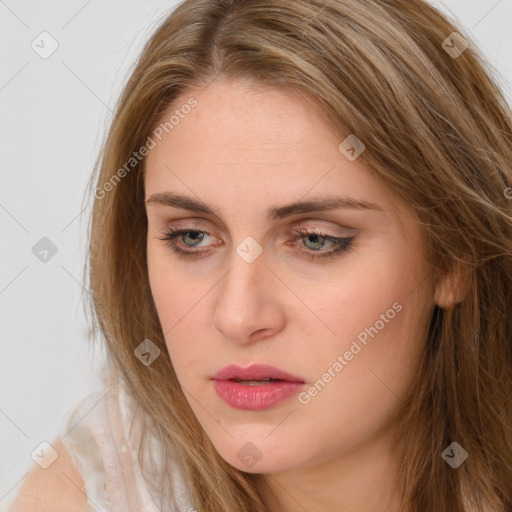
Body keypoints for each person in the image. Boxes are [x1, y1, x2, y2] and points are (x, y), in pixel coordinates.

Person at [7, 0, 512, 510]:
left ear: (455, 256)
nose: (238, 316)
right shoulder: (85, 494)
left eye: (316, 239)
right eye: (192, 237)